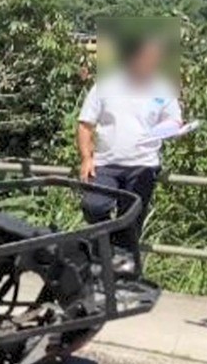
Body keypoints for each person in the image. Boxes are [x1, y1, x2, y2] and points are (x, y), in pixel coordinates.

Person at [76, 35, 183, 276]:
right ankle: (103, 249)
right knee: (94, 205)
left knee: (131, 220)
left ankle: (123, 275)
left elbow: (174, 119)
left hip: (143, 165)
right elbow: (85, 124)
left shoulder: (162, 88)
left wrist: (172, 128)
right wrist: (86, 157)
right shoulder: (106, 85)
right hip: (106, 163)